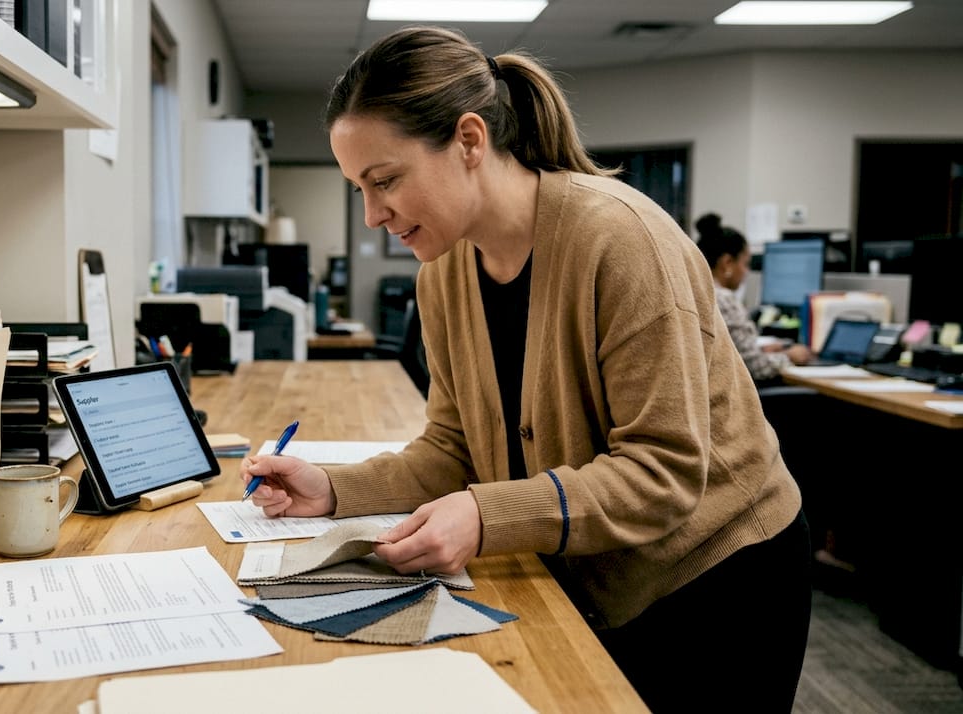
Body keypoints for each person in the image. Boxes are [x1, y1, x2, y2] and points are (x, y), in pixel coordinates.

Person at [240, 27, 811, 713]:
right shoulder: (444, 272)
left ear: (470, 141)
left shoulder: (621, 239)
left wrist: (485, 515)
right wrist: (331, 488)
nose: (371, 215)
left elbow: (664, 473)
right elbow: (454, 450)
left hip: (715, 578)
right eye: (359, 188)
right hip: (600, 571)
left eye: (385, 180)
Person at [695, 212, 813, 384]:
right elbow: (754, 367)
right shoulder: (723, 298)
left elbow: (732, 354)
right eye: (745, 263)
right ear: (727, 263)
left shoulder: (697, 291)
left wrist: (762, 350)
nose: (746, 272)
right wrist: (790, 356)